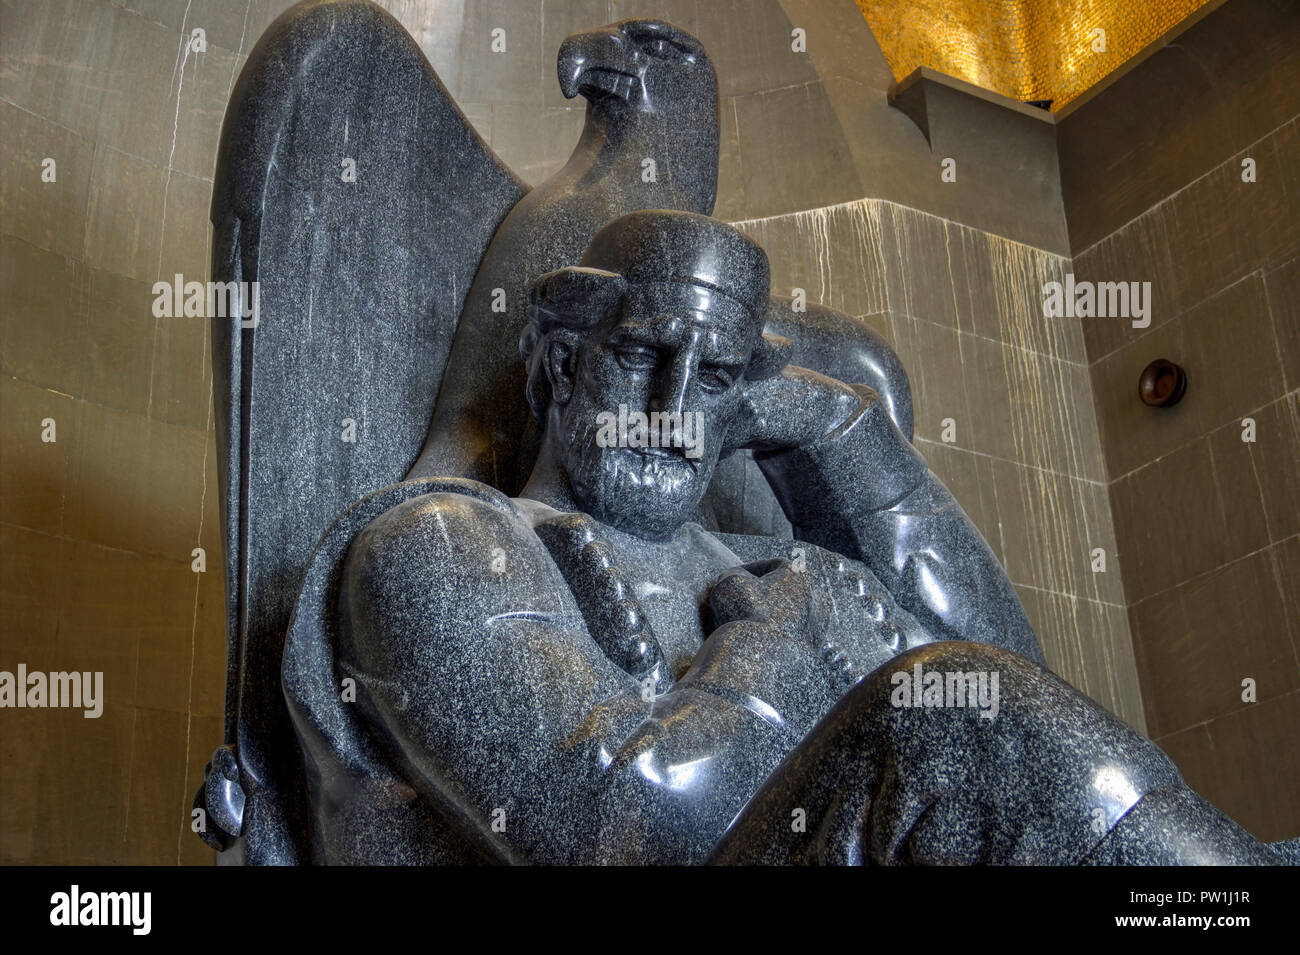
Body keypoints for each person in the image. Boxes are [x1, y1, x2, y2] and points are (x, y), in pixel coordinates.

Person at [292, 210, 1284, 864]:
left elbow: (1033, 718)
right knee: (950, 730)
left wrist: (851, 436)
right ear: (557, 365)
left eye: (715, 379)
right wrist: (774, 646)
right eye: (641, 354)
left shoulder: (784, 571)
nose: (675, 406)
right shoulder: (442, 546)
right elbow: (615, 829)